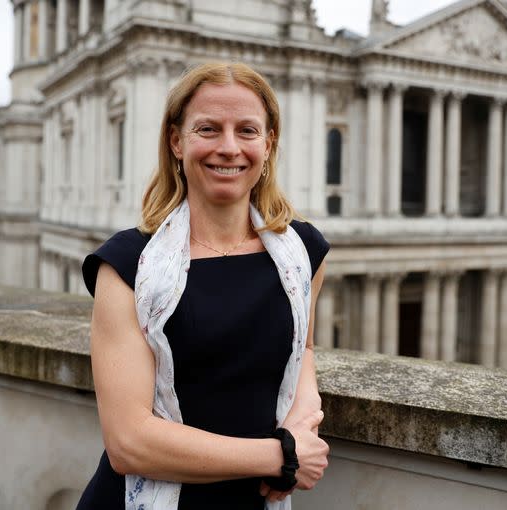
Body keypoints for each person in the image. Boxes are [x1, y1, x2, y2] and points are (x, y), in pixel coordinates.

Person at [76, 62, 330, 509]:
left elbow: (303, 349)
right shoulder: (125, 265)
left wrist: (300, 424)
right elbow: (128, 442)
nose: (229, 147)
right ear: (177, 141)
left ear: (268, 144)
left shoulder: (304, 253)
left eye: (247, 131)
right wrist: (282, 456)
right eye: (208, 129)